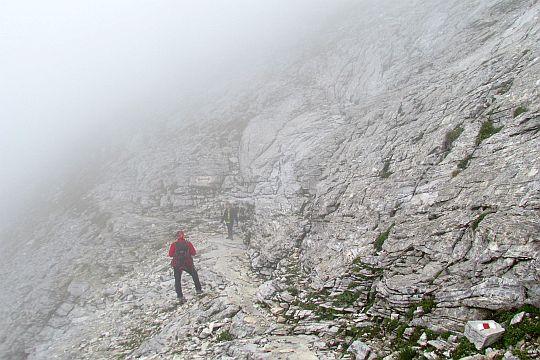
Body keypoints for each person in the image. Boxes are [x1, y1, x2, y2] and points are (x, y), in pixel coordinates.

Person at [168, 230, 202, 303]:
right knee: (194, 275)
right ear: (183, 235)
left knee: (177, 280)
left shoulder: (174, 244)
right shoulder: (188, 243)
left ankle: (180, 296)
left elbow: (170, 254)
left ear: (177, 236)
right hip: (187, 263)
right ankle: (198, 290)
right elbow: (194, 253)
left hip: (177, 264)